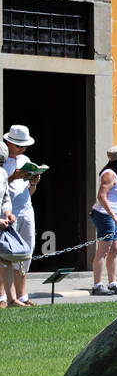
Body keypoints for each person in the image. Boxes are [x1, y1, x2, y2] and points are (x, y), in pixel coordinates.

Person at [1, 125, 39, 307]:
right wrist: (14, 177)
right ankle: (5, 296)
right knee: (7, 252)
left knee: (26, 250)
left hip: (26, 208)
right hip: (8, 210)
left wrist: (33, 182)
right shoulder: (2, 162)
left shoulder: (25, 159)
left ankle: (22, 295)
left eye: (24, 146)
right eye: (18, 145)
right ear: (8, 142)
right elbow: (2, 187)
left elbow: (29, 191)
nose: (22, 149)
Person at [89, 145, 117, 295]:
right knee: (104, 250)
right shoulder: (109, 174)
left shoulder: (115, 174)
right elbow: (101, 196)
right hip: (104, 215)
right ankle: (97, 285)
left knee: (114, 249)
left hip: (111, 217)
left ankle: (112, 283)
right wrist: (113, 215)